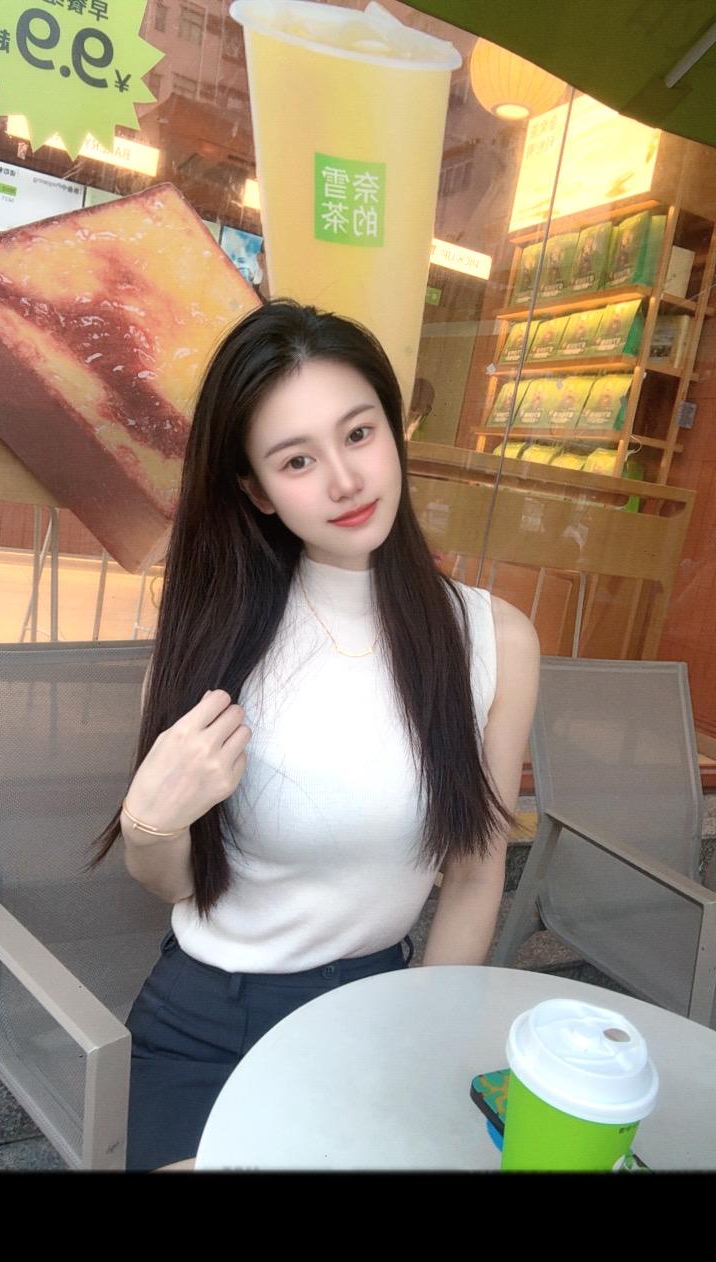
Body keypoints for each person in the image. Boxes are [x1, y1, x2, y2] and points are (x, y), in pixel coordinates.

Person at [91, 299, 540, 1171]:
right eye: (297, 459)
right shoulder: (212, 636)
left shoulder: (494, 642)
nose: (345, 480)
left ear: (393, 432)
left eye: (359, 434)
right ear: (256, 490)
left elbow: (475, 876)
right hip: (207, 1021)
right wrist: (148, 825)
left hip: (376, 1011)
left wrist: (421, 1040)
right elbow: (179, 882)